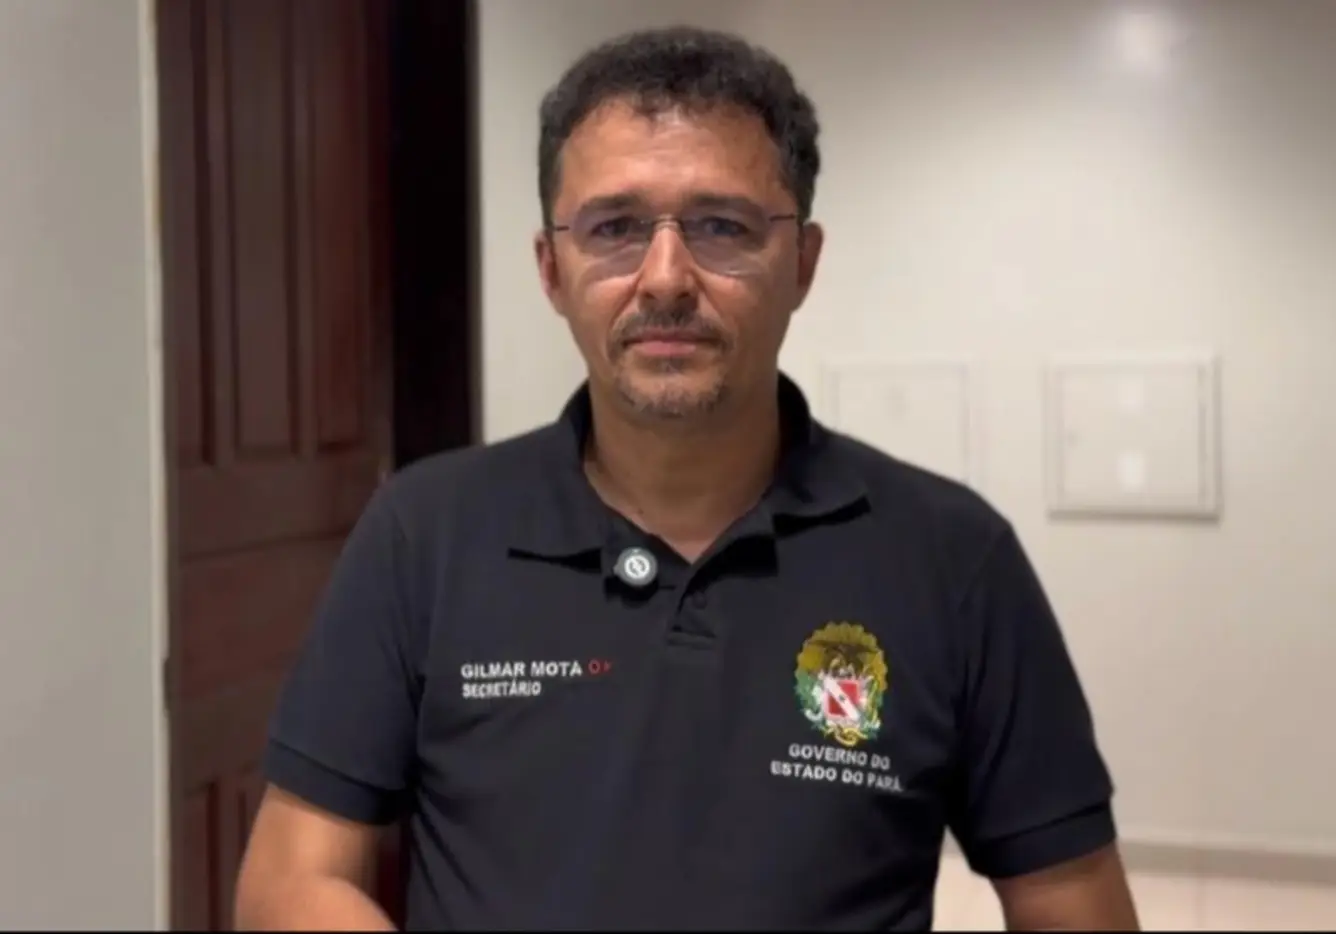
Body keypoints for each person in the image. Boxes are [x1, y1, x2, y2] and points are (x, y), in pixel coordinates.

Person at [234, 25, 1140, 932]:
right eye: (615, 228)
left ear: (803, 263)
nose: (665, 278)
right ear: (551, 270)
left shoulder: (953, 559)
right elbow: (288, 880)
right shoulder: (424, 533)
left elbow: (1072, 903)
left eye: (721, 226)